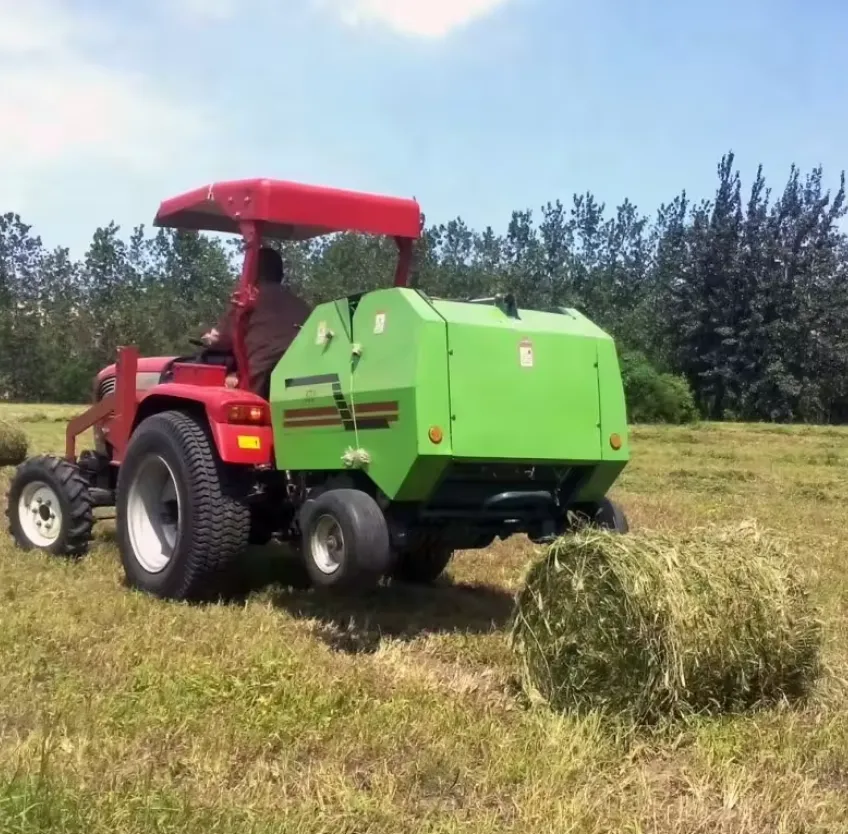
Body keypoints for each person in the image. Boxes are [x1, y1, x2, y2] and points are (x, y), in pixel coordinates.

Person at [201, 246, 312, 398]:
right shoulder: (301, 305)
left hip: (263, 381)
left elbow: (221, 339)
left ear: (252, 273)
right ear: (281, 274)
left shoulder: (247, 302)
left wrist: (208, 339)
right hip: (303, 378)